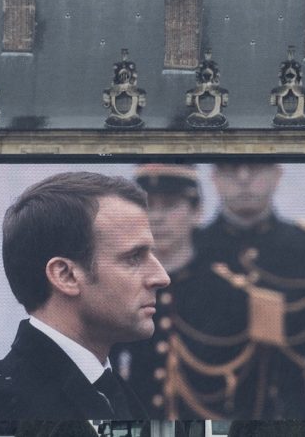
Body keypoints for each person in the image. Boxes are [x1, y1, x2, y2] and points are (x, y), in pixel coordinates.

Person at [150, 161, 305, 419]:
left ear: (277, 175)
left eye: (257, 167)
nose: (243, 178)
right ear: (215, 178)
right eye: (231, 169)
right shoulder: (183, 253)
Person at [0, 171, 171, 420]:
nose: (161, 277)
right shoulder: (3, 405)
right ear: (65, 276)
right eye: (134, 257)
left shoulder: (109, 389)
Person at [112, 163, 204, 419]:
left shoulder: (233, 291)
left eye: (171, 205)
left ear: (197, 211)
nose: (157, 217)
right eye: (148, 206)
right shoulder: (113, 289)